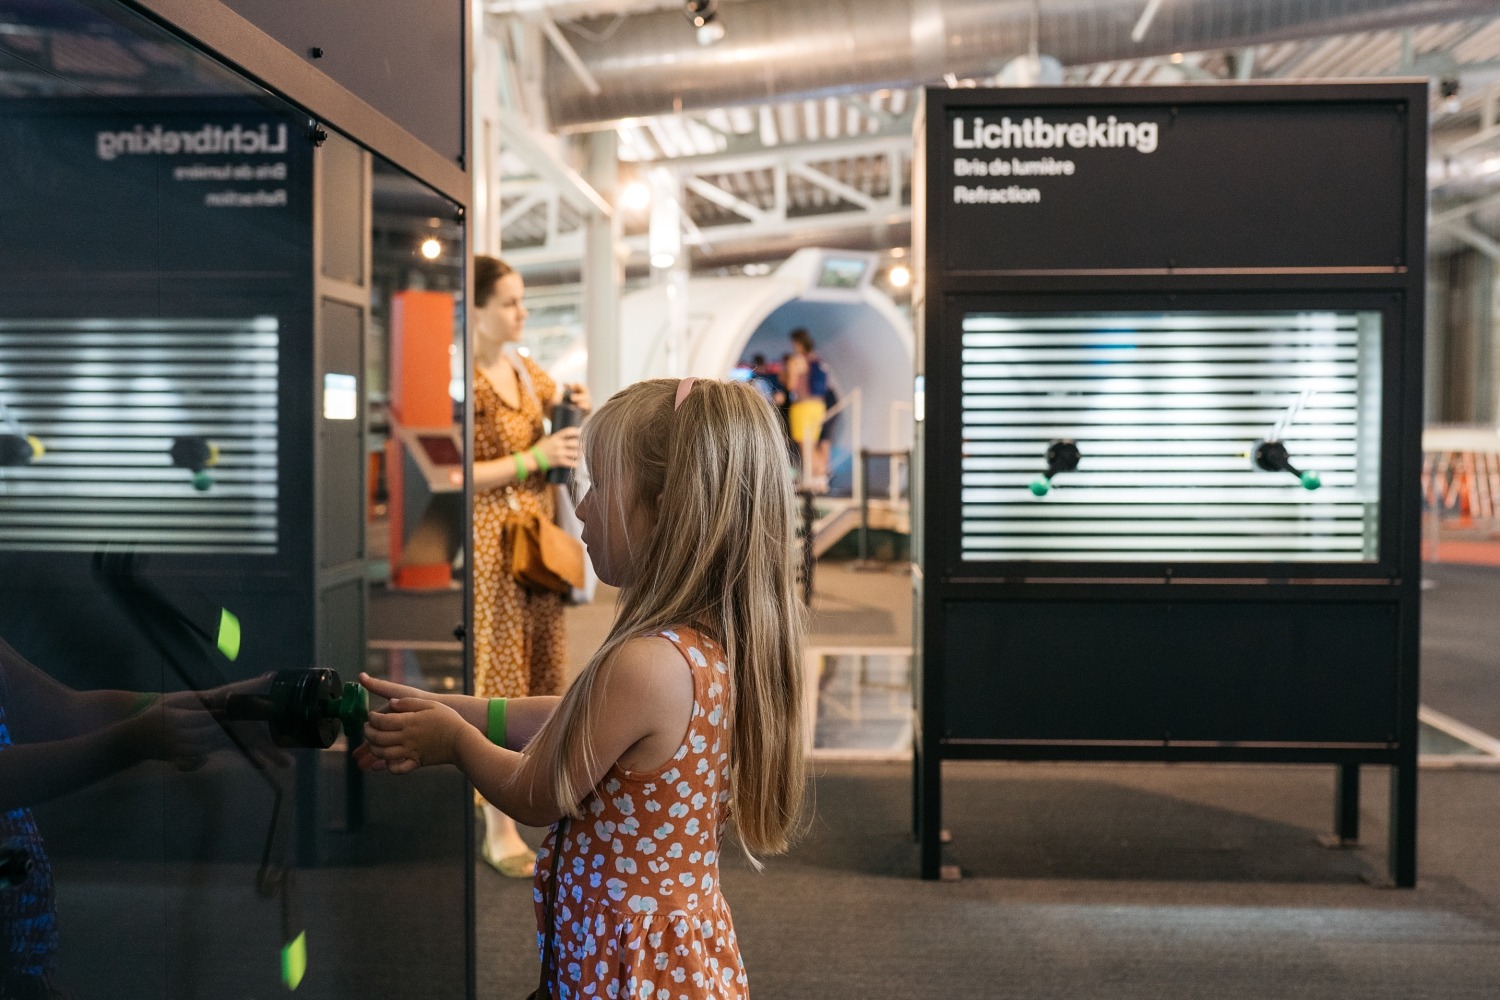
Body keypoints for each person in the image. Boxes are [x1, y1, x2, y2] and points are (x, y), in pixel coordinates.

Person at [358, 377, 806, 1000]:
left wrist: (453, 741)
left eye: (599, 485)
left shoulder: (646, 665)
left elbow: (535, 793)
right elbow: (566, 717)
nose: (584, 506)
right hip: (651, 961)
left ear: (666, 508)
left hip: (626, 973)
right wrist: (435, 705)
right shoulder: (699, 649)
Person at [469, 255, 591, 878]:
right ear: (477, 309)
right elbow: (450, 472)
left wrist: (575, 405)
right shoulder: (465, 377)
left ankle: (525, 789)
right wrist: (532, 458)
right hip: (493, 537)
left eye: (522, 301)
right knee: (500, 671)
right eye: (511, 302)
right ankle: (496, 818)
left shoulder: (521, 365)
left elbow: (560, 398)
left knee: (542, 661)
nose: (522, 312)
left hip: (534, 538)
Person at [782, 329, 829, 487]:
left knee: (805, 444)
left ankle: (814, 479)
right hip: (818, 406)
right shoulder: (816, 359)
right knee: (813, 443)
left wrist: (784, 374)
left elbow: (791, 385)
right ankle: (820, 475)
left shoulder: (797, 360)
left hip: (803, 406)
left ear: (797, 343)